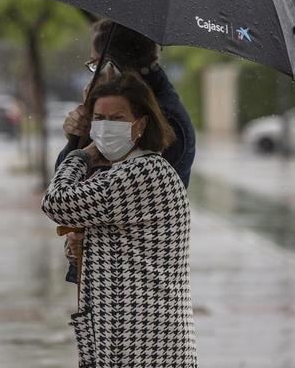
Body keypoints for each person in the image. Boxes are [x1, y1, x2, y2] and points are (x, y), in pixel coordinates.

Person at [42, 73, 198, 367]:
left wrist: (82, 154)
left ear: (140, 124)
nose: (106, 126)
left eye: (117, 118)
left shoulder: (144, 173)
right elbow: (117, 242)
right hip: (118, 335)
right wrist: (81, 246)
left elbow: (56, 202)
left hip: (143, 341)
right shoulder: (120, 173)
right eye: (99, 118)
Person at [56, 19, 196, 283]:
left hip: (133, 280)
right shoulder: (119, 108)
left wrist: (82, 149)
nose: (93, 72)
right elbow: (74, 190)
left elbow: (70, 199)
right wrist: (75, 136)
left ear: (113, 64)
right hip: (110, 274)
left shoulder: (161, 121)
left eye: (95, 64)